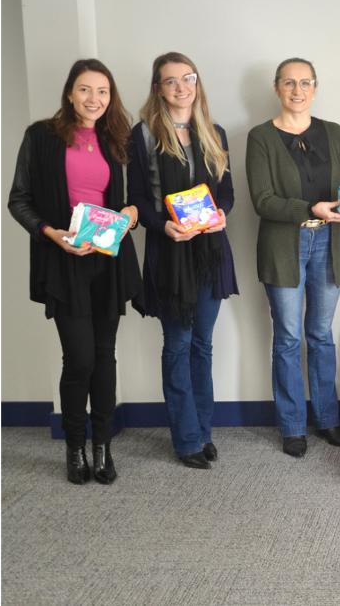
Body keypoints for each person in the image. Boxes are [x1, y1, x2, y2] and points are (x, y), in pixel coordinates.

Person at [246, 57, 340, 457]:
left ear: (315, 88)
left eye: (305, 83)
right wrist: (309, 209)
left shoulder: (334, 132)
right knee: (288, 337)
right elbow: (262, 200)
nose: (297, 90)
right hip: (284, 246)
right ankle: (292, 426)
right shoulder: (260, 137)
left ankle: (328, 419)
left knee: (320, 334)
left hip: (329, 244)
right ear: (277, 88)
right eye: (289, 82)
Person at [7, 59, 142, 485]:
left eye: (102, 91)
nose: (94, 99)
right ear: (70, 92)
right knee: (79, 358)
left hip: (107, 259)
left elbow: (132, 200)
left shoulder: (116, 139)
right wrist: (51, 233)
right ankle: (75, 446)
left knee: (104, 356)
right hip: (63, 260)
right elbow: (19, 199)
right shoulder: (41, 136)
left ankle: (102, 447)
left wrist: (132, 213)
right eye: (85, 89)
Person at [127, 52, 237, 470]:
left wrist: (222, 213)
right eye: (170, 80)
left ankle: (204, 431)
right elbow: (137, 197)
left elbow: (226, 191)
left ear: (197, 82)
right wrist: (162, 226)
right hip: (170, 252)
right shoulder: (143, 135)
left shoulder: (214, 131)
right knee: (177, 344)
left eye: (187, 78)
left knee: (202, 345)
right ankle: (186, 438)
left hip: (210, 252)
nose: (181, 87)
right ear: (158, 88)